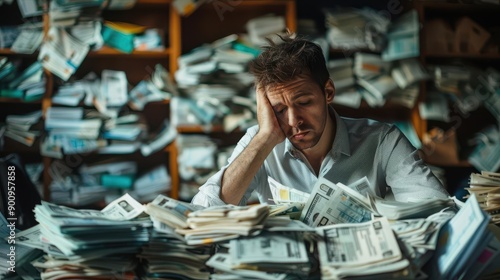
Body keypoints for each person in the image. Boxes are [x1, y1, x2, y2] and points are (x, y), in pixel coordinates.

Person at [192, 34, 449, 207]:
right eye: (279, 108)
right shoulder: (258, 143)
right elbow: (204, 210)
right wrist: (264, 138)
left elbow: (435, 207)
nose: (294, 121)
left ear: (328, 92)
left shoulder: (382, 141)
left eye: (303, 103)